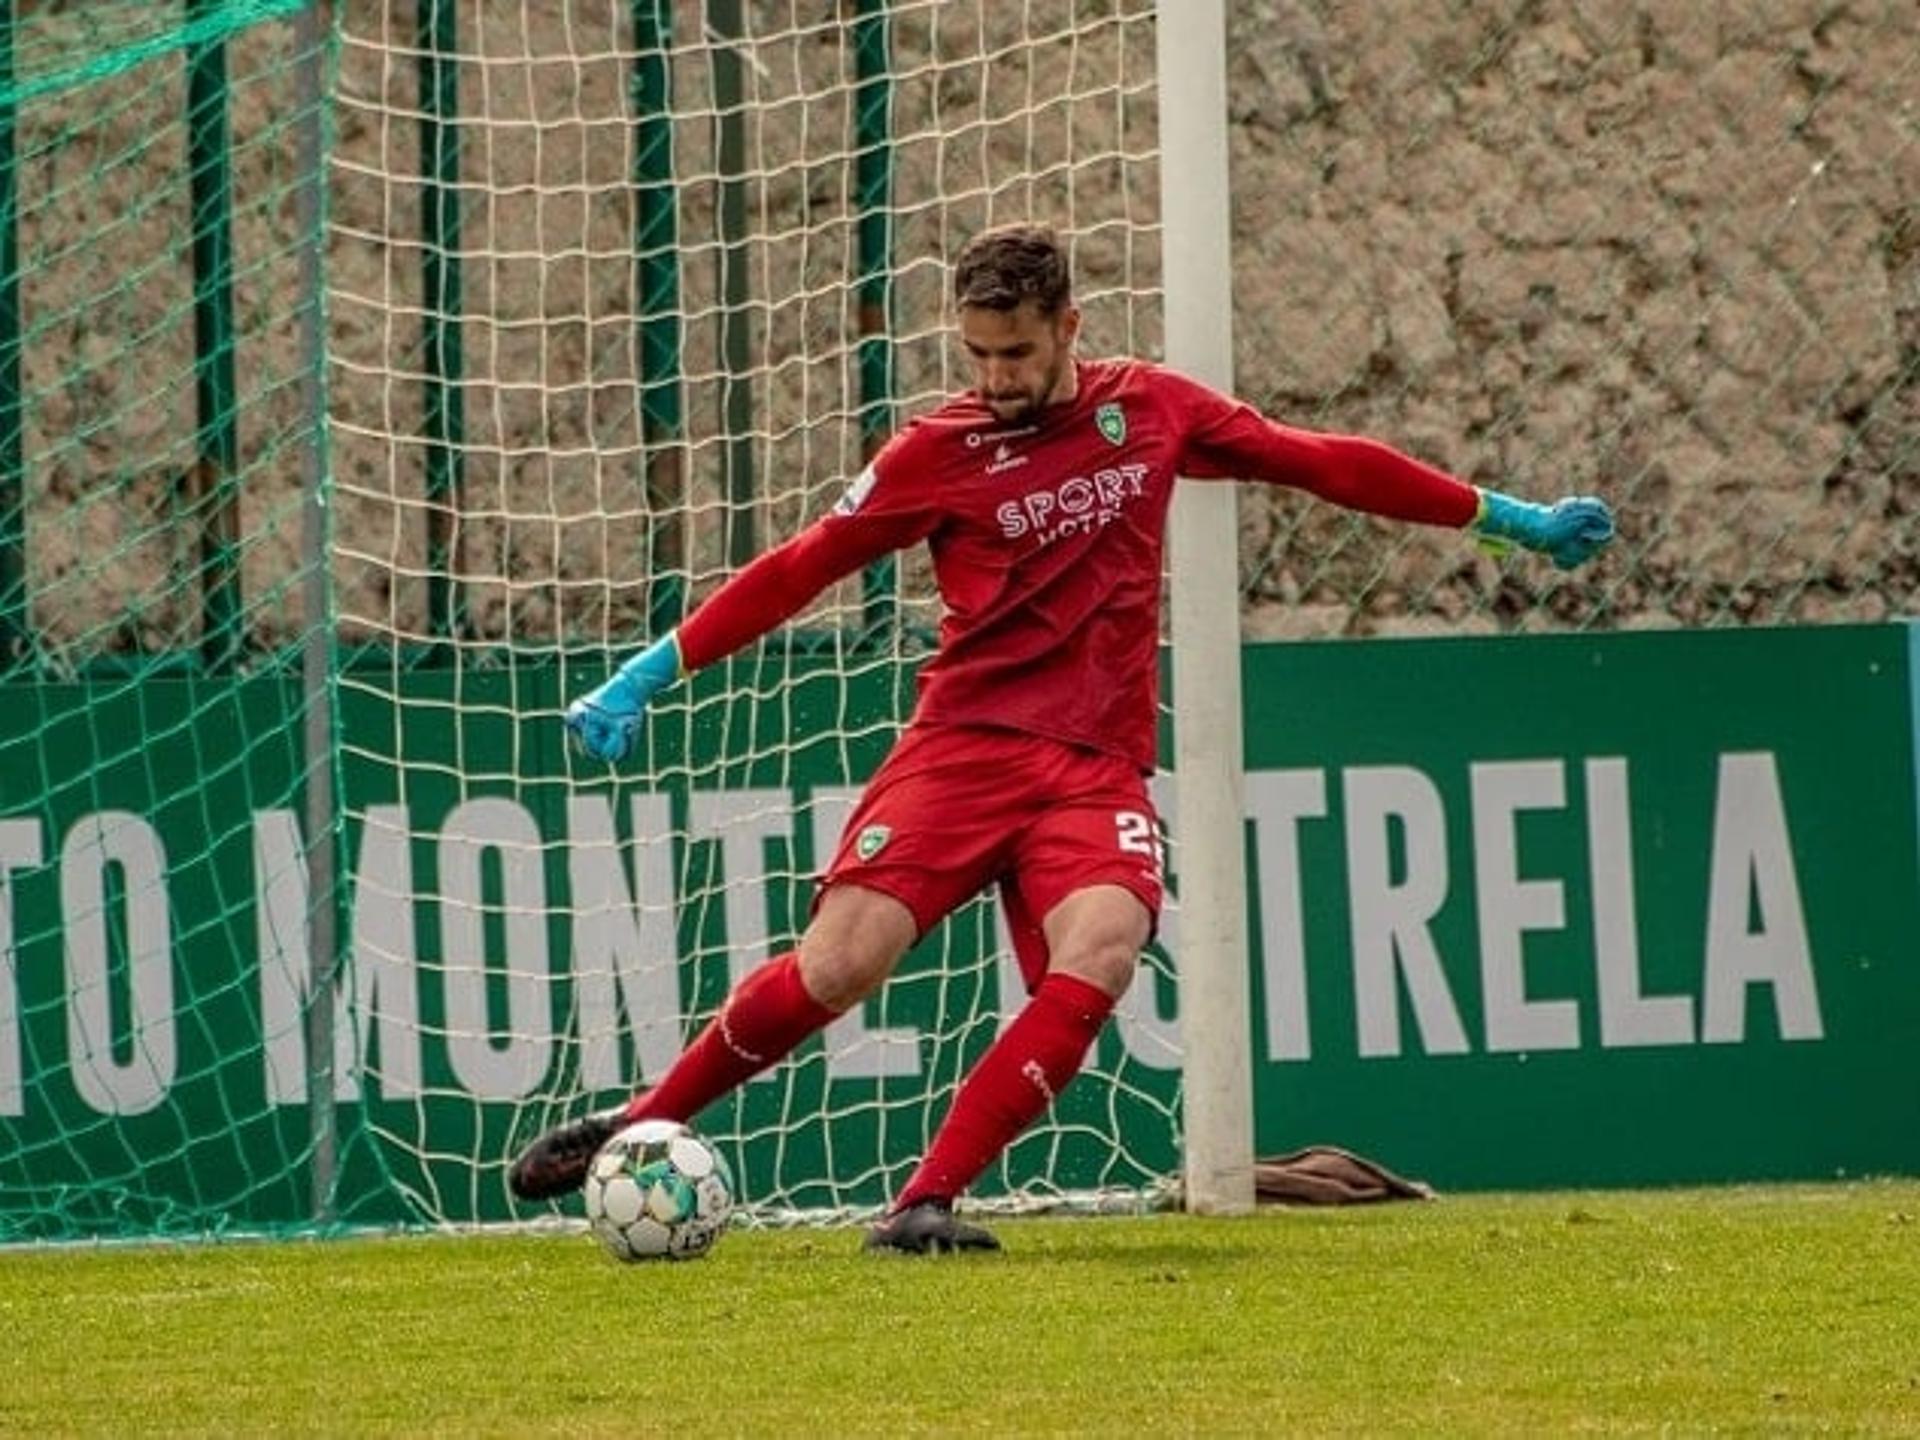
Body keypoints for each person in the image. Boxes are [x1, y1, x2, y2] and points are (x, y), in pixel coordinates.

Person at [508, 222, 1614, 1252]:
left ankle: (925, 1202)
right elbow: (798, 569)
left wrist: (1504, 519)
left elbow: (1321, 459)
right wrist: (651, 671)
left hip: (1093, 769)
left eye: (1017, 353)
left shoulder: (1156, 411)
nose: (994, 379)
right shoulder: (931, 455)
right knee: (844, 964)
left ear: (1070, 329)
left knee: (1102, 949)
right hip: (965, 747)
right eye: (977, 354)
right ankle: (640, 1123)